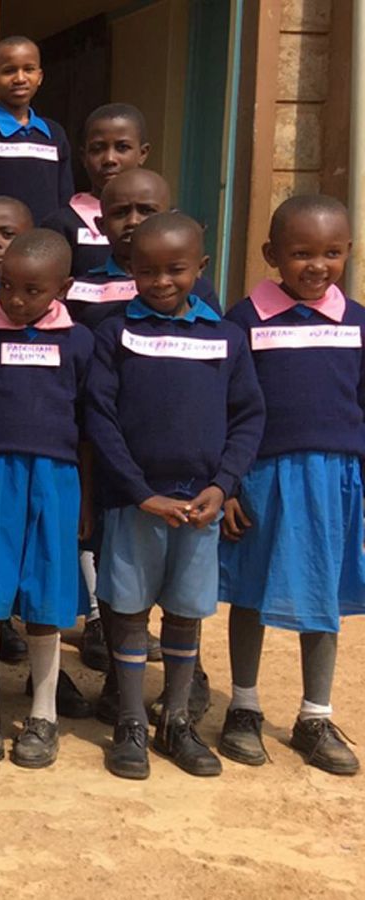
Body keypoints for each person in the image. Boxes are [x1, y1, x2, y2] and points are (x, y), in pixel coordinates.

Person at [85, 213, 264, 779]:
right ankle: (132, 721)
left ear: (202, 269)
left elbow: (248, 417)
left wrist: (223, 484)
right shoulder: (115, 335)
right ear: (129, 270)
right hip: (138, 504)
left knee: (185, 618)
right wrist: (138, 492)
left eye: (176, 270)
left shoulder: (227, 339)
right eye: (147, 271)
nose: (161, 281)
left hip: (199, 508)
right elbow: (100, 417)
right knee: (131, 614)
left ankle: (177, 719)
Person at [219, 194, 365, 776]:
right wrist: (227, 484)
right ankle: (244, 706)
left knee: (322, 597)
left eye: (332, 253)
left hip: (335, 480)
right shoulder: (244, 320)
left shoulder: (356, 322)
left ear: (348, 252)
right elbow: (226, 409)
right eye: (302, 253)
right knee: (250, 593)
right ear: (271, 254)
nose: (317, 266)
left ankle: (314, 714)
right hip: (261, 477)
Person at [0, 229, 92, 768]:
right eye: (7, 285)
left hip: (55, 478)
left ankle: (43, 711)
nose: (15, 298)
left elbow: (86, 424)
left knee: (47, 598)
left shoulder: (79, 342)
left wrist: (86, 495)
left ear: (62, 287)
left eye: (32, 290)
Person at [66, 168, 221, 329]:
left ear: (170, 217)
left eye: (146, 211)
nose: (133, 221)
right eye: (120, 213)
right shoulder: (78, 291)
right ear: (101, 225)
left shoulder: (197, 287)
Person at [0, 36, 73, 226]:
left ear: (40, 77)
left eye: (28, 69)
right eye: (9, 71)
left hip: (43, 243)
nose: (20, 78)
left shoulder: (54, 134)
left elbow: (64, 195)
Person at [46, 104, 150, 277]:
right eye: (97, 149)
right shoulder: (61, 224)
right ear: (83, 157)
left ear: (143, 153)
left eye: (122, 147)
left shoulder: (162, 219)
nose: (109, 159)